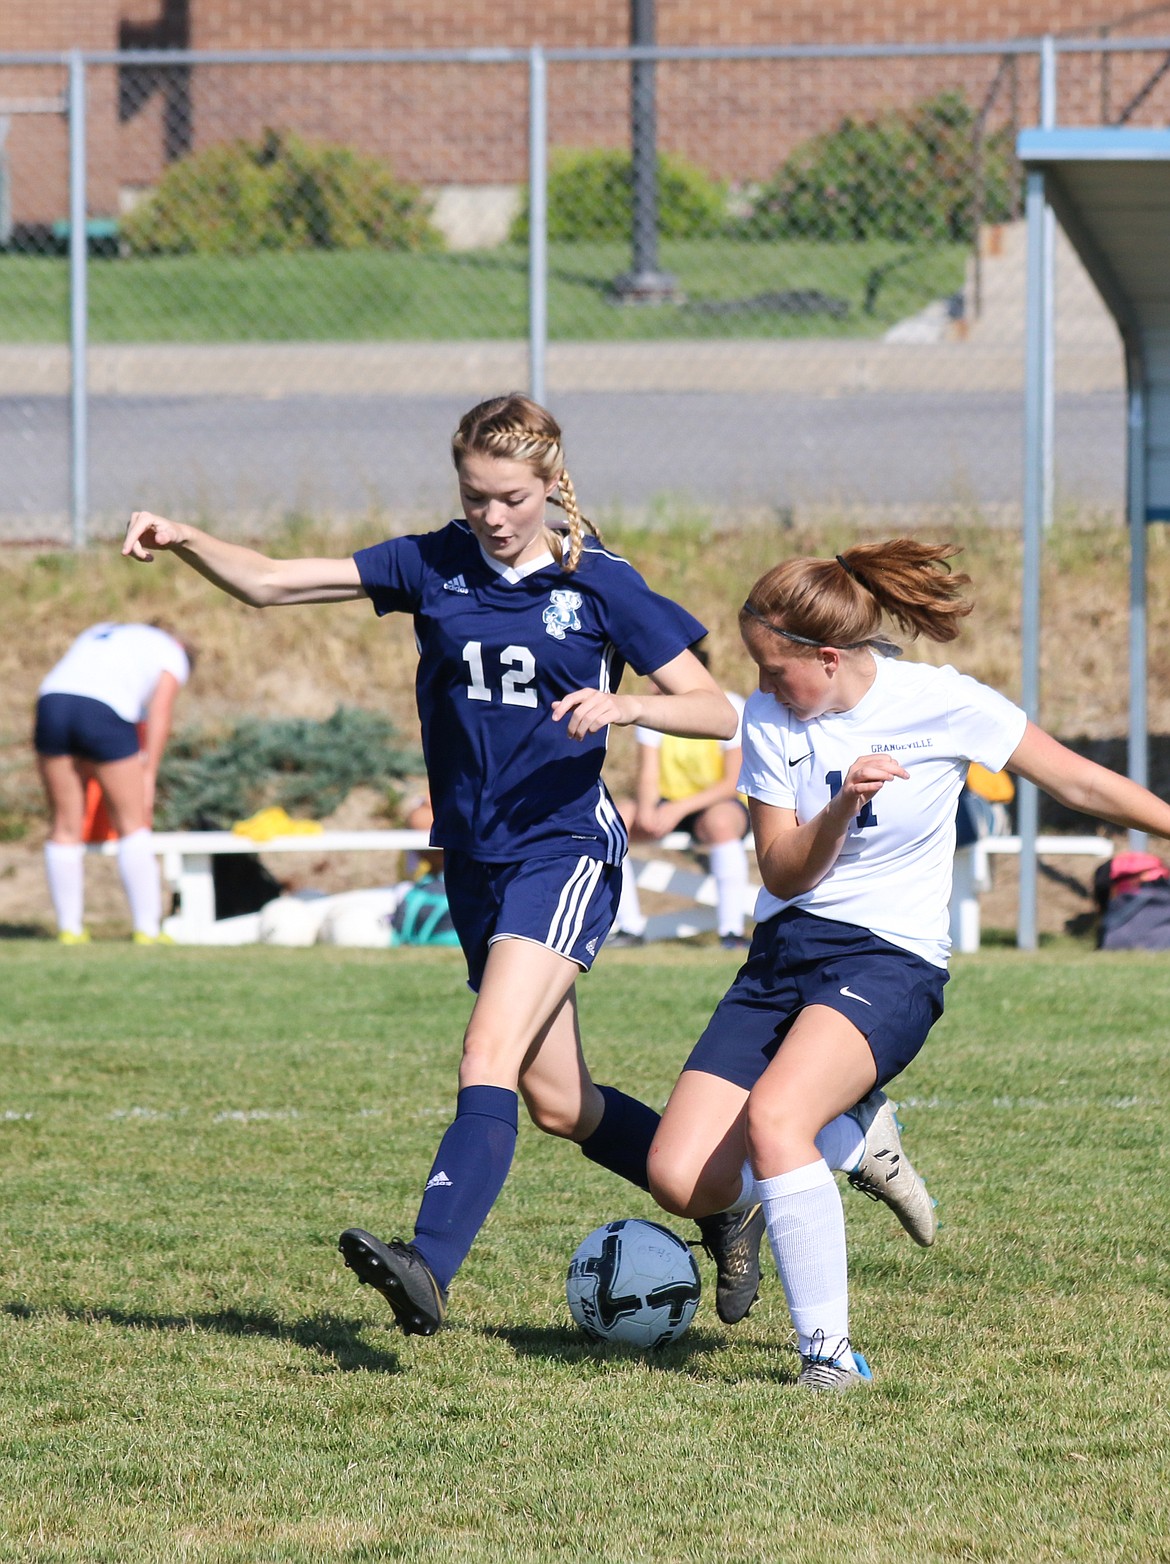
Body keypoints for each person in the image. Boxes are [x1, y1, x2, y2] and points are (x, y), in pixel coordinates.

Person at [122, 391, 747, 1337]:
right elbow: (271, 583)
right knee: (557, 1101)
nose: (491, 519)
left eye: (509, 499)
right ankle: (725, 1202)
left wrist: (628, 709)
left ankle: (429, 1264)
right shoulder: (434, 562)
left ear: (550, 485)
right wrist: (187, 537)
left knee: (485, 1054)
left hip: (563, 847)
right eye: (474, 497)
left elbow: (716, 709)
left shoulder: (601, 584)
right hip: (474, 860)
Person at [646, 540, 1170, 1389]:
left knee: (778, 1120)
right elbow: (781, 870)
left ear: (828, 654)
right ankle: (851, 1135)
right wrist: (845, 803)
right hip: (783, 956)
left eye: (778, 670)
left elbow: (1080, 783)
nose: (766, 687)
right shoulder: (775, 722)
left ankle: (829, 1358)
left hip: (891, 961)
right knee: (678, 1178)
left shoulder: (943, 704)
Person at [34, 621, 193, 944]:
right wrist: (148, 774)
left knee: (65, 826)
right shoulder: (173, 653)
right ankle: (147, 930)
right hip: (104, 710)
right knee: (133, 825)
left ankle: (70, 929)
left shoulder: (102, 629)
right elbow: (160, 714)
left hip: (52, 703)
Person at [612, 640, 752, 950]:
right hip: (670, 803)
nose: (650, 687)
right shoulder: (653, 713)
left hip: (716, 803)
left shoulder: (730, 706)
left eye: (655, 678)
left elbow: (733, 781)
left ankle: (731, 931)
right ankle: (628, 927)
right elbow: (647, 775)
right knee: (614, 818)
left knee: (721, 824)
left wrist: (678, 809)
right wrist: (647, 807)